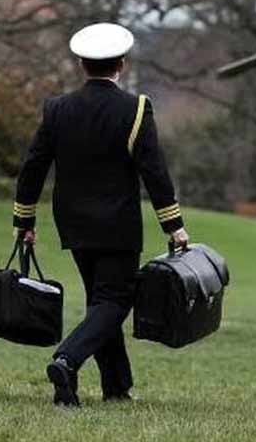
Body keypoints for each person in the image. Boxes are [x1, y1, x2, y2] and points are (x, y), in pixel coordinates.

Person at [12, 22, 189, 407]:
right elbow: (154, 172)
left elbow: (33, 167)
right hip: (117, 225)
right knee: (114, 301)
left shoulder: (57, 109)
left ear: (81, 64)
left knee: (101, 301)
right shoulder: (136, 109)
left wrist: (24, 221)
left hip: (73, 224)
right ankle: (66, 359)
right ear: (121, 64)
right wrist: (174, 226)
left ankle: (116, 388)